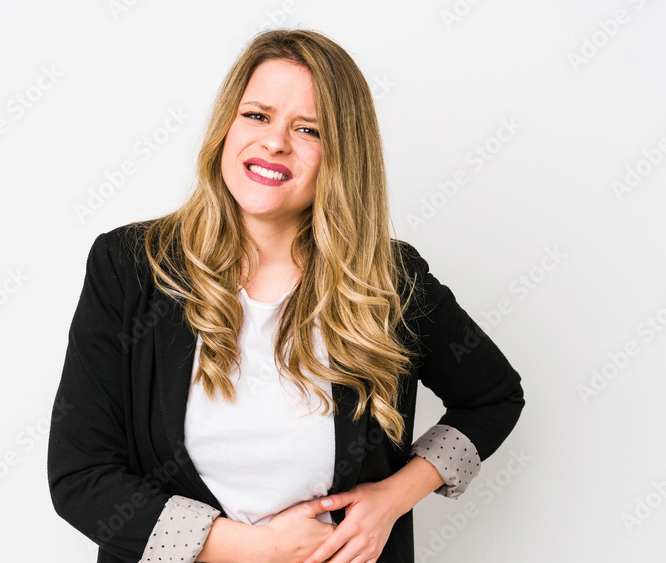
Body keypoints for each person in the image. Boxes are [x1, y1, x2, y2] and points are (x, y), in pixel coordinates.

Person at [47, 28, 524, 563]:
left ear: (342, 155)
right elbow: (81, 477)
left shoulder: (387, 279)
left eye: (308, 129)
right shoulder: (130, 265)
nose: (275, 141)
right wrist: (257, 548)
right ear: (227, 125)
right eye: (257, 115)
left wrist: (393, 498)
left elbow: (493, 398)